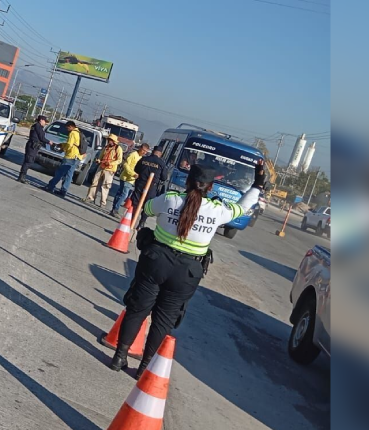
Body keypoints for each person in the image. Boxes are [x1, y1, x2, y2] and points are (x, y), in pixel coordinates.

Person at [108, 161, 265, 378]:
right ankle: (144, 368)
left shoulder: (171, 199)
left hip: (155, 261)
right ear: (210, 188)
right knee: (163, 320)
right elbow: (243, 207)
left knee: (138, 308)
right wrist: (257, 184)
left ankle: (119, 357)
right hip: (187, 271)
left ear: (188, 181)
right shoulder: (218, 210)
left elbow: (147, 208)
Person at [130, 145, 167, 229]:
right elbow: (164, 178)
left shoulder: (144, 159)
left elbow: (136, 169)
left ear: (153, 151)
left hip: (140, 184)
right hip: (152, 187)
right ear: (160, 154)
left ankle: (131, 220)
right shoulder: (161, 163)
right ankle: (141, 223)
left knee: (135, 203)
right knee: (147, 205)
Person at [43, 121, 83, 198]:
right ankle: (63, 191)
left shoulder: (72, 133)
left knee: (60, 172)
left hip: (70, 156)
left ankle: (50, 186)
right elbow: (73, 144)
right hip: (76, 157)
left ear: (71, 126)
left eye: (67, 127)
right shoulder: (78, 133)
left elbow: (69, 145)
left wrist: (63, 149)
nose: (67, 129)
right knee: (69, 175)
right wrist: (62, 144)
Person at [85, 134, 123, 208]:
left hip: (110, 170)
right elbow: (101, 156)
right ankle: (90, 198)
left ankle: (103, 203)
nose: (109, 141)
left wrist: (110, 163)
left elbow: (119, 160)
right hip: (101, 167)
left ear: (114, 141)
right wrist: (99, 160)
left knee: (105, 186)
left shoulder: (118, 148)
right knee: (94, 183)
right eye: (109, 139)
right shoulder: (106, 147)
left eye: (111, 140)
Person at [110, 143, 148, 216]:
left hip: (131, 179)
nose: (144, 152)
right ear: (140, 148)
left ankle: (114, 208)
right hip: (126, 178)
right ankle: (115, 209)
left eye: (146, 151)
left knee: (120, 193)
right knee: (124, 194)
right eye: (143, 150)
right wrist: (132, 173)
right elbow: (125, 165)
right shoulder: (133, 154)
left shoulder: (141, 158)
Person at [17, 114, 51, 184]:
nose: (45, 123)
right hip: (33, 146)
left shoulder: (35, 125)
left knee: (28, 161)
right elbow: (41, 137)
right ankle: (21, 177)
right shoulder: (38, 126)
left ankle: (22, 176)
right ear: (41, 120)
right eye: (45, 121)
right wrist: (49, 142)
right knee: (28, 161)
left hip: (32, 145)